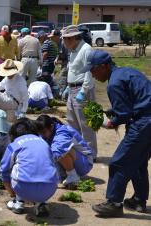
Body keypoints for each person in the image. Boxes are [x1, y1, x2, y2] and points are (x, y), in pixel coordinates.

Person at [79, 50, 151, 217]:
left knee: (119, 162)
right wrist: (113, 111)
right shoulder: (128, 72)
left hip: (144, 123)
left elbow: (124, 114)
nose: (92, 74)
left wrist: (111, 122)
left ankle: (114, 203)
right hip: (147, 119)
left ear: (104, 66)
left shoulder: (114, 83)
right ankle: (139, 201)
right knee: (137, 161)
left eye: (93, 70)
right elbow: (136, 99)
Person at [0, 118, 58, 216]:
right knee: (41, 165)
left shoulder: (14, 145)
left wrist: (12, 194)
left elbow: (4, 171)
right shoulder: (44, 142)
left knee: (12, 166)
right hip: (50, 189)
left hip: (23, 188)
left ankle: (18, 202)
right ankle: (41, 203)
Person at [62, 25, 97, 161]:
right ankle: (79, 150)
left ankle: (91, 154)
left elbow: (89, 73)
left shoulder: (86, 49)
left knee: (85, 124)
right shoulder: (73, 50)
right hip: (72, 89)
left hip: (82, 89)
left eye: (65, 39)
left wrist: (83, 91)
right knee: (72, 122)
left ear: (73, 38)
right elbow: (73, 70)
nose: (64, 43)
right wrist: (67, 87)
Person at [37, 115, 93, 186]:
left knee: (61, 150)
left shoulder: (63, 132)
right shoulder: (46, 132)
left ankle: (73, 176)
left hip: (85, 163)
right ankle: (65, 174)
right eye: (40, 133)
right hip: (75, 160)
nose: (42, 135)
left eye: (44, 132)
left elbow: (57, 152)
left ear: (51, 126)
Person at [49, 29, 70, 100]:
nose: (51, 38)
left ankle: (61, 95)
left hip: (68, 62)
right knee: (64, 79)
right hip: (64, 62)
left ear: (57, 36)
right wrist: (56, 59)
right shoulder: (58, 42)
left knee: (62, 78)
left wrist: (68, 64)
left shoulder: (63, 42)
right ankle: (64, 95)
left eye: (52, 37)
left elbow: (68, 54)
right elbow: (59, 53)